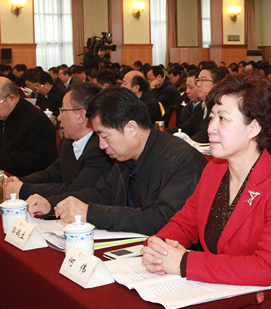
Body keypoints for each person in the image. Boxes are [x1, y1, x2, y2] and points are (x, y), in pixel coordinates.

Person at [141, 75, 271, 309]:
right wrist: (158, 246)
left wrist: (183, 262)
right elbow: (185, 223)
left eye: (223, 119)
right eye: (211, 117)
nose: (211, 128)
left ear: (253, 127)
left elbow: (267, 269)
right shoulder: (214, 170)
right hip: (219, 303)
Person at [27, 87, 208, 234]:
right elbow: (102, 193)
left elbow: (164, 219)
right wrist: (53, 204)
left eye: (104, 136)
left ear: (131, 128)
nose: (101, 145)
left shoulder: (181, 160)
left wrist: (91, 213)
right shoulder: (124, 156)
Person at [5, 83, 112, 202]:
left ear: (81, 116)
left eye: (62, 110)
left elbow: (76, 190)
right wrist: (21, 182)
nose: (59, 117)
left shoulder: (101, 148)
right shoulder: (68, 142)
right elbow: (52, 173)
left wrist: (24, 189)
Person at [0, 77, 57, 177]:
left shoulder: (36, 120)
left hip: (26, 179)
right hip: (3, 175)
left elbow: (44, 160)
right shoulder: (1, 116)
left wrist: (2, 159)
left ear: (11, 98)